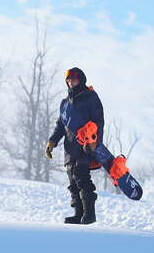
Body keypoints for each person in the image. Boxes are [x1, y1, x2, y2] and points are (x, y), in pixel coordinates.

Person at [45, 67, 104, 225]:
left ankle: (89, 214)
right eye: (68, 80)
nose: (71, 82)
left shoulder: (90, 97)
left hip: (85, 146)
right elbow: (60, 125)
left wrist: (95, 144)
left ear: (81, 79)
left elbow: (99, 121)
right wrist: (52, 141)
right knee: (72, 180)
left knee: (81, 177)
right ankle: (78, 214)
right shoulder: (65, 103)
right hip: (69, 148)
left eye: (74, 79)